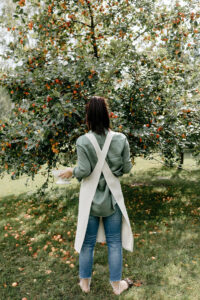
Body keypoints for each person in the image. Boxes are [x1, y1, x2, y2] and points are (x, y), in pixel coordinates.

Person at [59, 96, 134, 295]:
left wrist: (70, 172)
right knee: (115, 242)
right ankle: (117, 286)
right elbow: (126, 168)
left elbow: (83, 170)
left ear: (89, 116)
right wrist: (114, 171)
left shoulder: (83, 141)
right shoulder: (120, 139)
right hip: (113, 198)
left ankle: (85, 284)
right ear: (107, 114)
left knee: (87, 242)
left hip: (90, 200)